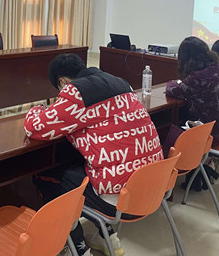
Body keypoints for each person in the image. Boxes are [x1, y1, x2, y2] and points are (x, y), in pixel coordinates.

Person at [24, 54, 163, 256]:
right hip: (151, 187)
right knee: (80, 167)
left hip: (121, 199)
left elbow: (36, 128)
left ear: (62, 82)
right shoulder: (121, 83)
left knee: (48, 176)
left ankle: (76, 247)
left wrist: (36, 109)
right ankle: (108, 238)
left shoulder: (75, 92)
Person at [166, 36, 219, 146]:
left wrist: (172, 82)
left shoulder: (199, 77)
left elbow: (172, 90)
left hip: (208, 134)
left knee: (168, 132)